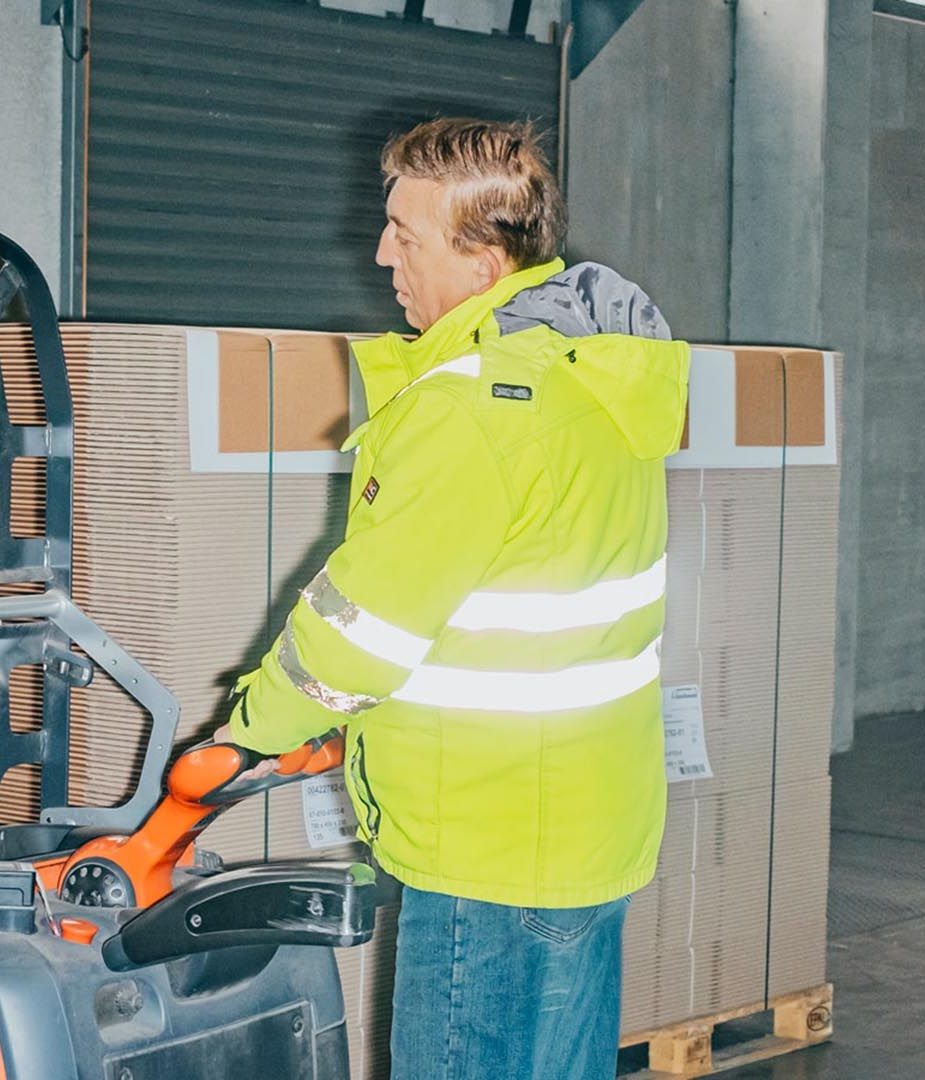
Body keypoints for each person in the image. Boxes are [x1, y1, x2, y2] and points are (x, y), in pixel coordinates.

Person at [214, 117, 689, 1078]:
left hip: (490, 838)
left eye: (407, 233)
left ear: (482, 260)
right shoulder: (587, 375)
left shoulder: (472, 408)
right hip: (584, 820)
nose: (383, 251)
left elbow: (365, 627)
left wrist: (245, 733)